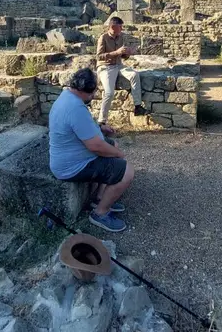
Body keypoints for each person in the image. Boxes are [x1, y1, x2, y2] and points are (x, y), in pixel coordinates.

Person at [49, 68, 135, 232]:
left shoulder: (67, 96)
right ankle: (100, 213)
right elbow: (95, 146)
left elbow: (81, 127)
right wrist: (119, 155)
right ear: (86, 91)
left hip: (69, 156)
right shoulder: (75, 108)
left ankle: (100, 197)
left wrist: (100, 128)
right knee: (127, 172)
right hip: (72, 166)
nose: (94, 95)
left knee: (113, 145)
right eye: (94, 92)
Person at [96, 16, 148, 127]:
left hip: (119, 65)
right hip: (106, 67)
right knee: (109, 93)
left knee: (134, 75)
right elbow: (99, 56)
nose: (122, 28)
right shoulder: (103, 38)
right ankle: (101, 121)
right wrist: (117, 52)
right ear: (113, 27)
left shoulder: (121, 37)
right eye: (120, 26)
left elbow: (123, 56)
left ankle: (138, 106)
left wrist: (128, 53)